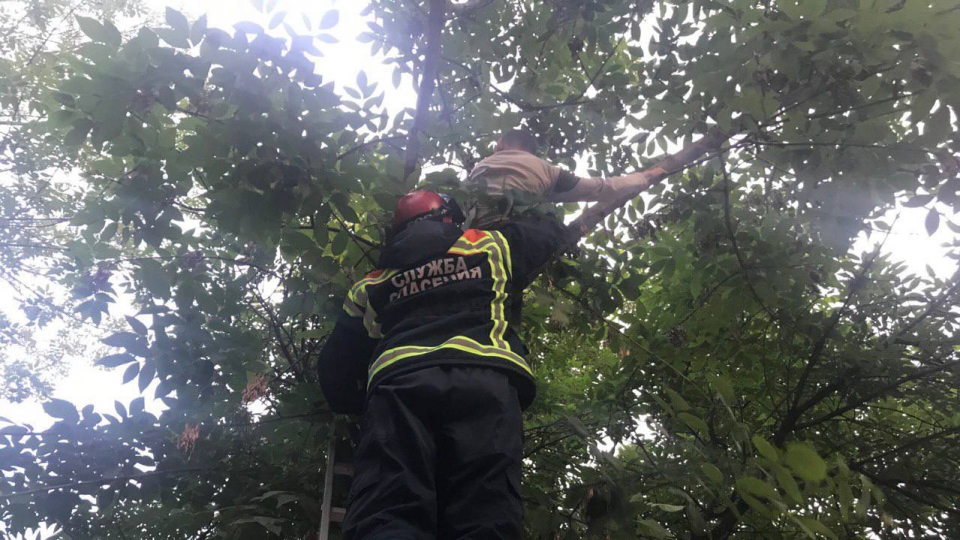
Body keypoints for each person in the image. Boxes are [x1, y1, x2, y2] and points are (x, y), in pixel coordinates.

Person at [317, 189, 569, 539]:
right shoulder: (491, 245)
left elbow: (335, 368)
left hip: (399, 389)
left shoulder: (371, 283)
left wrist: (357, 404)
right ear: (449, 216)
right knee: (486, 510)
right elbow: (549, 232)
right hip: (484, 382)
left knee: (388, 507)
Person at [464, 128, 651, 228]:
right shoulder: (544, 169)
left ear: (499, 147)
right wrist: (645, 177)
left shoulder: (479, 168)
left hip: (471, 245)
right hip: (514, 241)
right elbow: (601, 188)